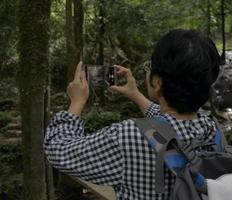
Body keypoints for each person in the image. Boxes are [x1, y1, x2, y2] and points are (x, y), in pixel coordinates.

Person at [44, 29, 221, 199]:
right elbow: (170, 122)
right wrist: (135, 95)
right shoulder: (211, 127)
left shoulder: (128, 136)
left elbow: (58, 150)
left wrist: (77, 101)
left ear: (157, 82)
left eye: (149, 66)